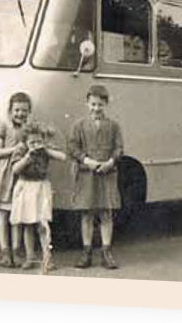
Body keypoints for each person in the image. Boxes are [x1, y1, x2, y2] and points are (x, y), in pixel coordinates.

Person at [68, 84, 124, 270]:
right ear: (87, 103)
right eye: (93, 104)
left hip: (107, 174)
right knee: (87, 213)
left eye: (100, 105)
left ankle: (106, 252)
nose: (96, 108)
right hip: (87, 174)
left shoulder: (114, 126)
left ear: (106, 104)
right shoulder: (79, 125)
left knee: (106, 213)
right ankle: (86, 252)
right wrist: (86, 160)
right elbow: (73, 147)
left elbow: (119, 148)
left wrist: (111, 161)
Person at [0, 92, 30, 267]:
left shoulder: (29, 129)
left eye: (24, 110)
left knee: (17, 216)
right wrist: (15, 149)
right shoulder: (3, 126)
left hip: (21, 174)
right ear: (10, 111)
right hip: (4, 175)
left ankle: (16, 252)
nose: (20, 114)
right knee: (2, 214)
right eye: (16, 110)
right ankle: (5, 253)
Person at [9, 120, 66, 273]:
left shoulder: (44, 149)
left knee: (43, 224)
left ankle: (47, 257)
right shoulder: (21, 150)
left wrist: (46, 149)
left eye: (39, 141)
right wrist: (27, 157)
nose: (35, 144)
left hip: (41, 186)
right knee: (28, 223)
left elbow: (62, 157)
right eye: (32, 142)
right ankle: (30, 257)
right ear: (25, 141)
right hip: (26, 186)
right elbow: (15, 169)